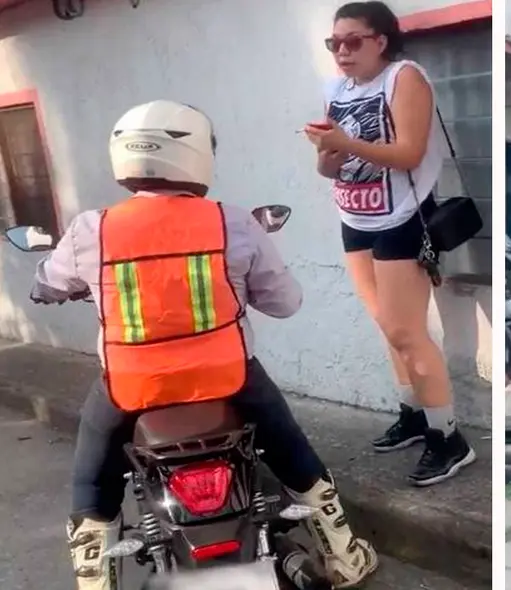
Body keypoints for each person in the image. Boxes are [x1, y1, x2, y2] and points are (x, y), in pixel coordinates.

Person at [30, 100, 378, 590]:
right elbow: (285, 302)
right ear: (196, 155)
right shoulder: (233, 223)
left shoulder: (92, 229)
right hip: (230, 377)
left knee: (93, 477)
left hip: (131, 387)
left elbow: (49, 281)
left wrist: (48, 289)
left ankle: (95, 582)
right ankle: (344, 558)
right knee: (291, 448)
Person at [302, 1, 475, 486]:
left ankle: (450, 438)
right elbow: (329, 166)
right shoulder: (336, 88)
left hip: (403, 215)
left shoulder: (405, 77)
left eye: (353, 41)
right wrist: (326, 153)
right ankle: (414, 415)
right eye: (334, 43)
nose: (341, 51)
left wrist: (345, 142)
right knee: (386, 325)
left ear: (381, 40)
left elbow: (409, 153)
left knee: (406, 331)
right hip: (354, 214)